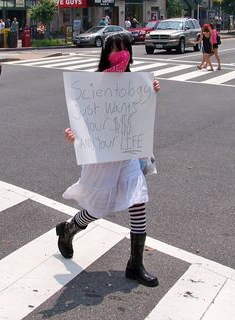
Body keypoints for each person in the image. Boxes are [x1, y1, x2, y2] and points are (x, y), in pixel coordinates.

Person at [56, 34, 161, 288]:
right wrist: (74, 135)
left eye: (125, 49)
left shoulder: (135, 82)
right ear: (106, 54)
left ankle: (135, 264)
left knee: (137, 200)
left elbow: (141, 115)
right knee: (97, 208)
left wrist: (151, 91)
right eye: (115, 50)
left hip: (127, 154)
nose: (121, 54)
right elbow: (83, 119)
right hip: (102, 157)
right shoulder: (92, 84)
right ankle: (68, 229)